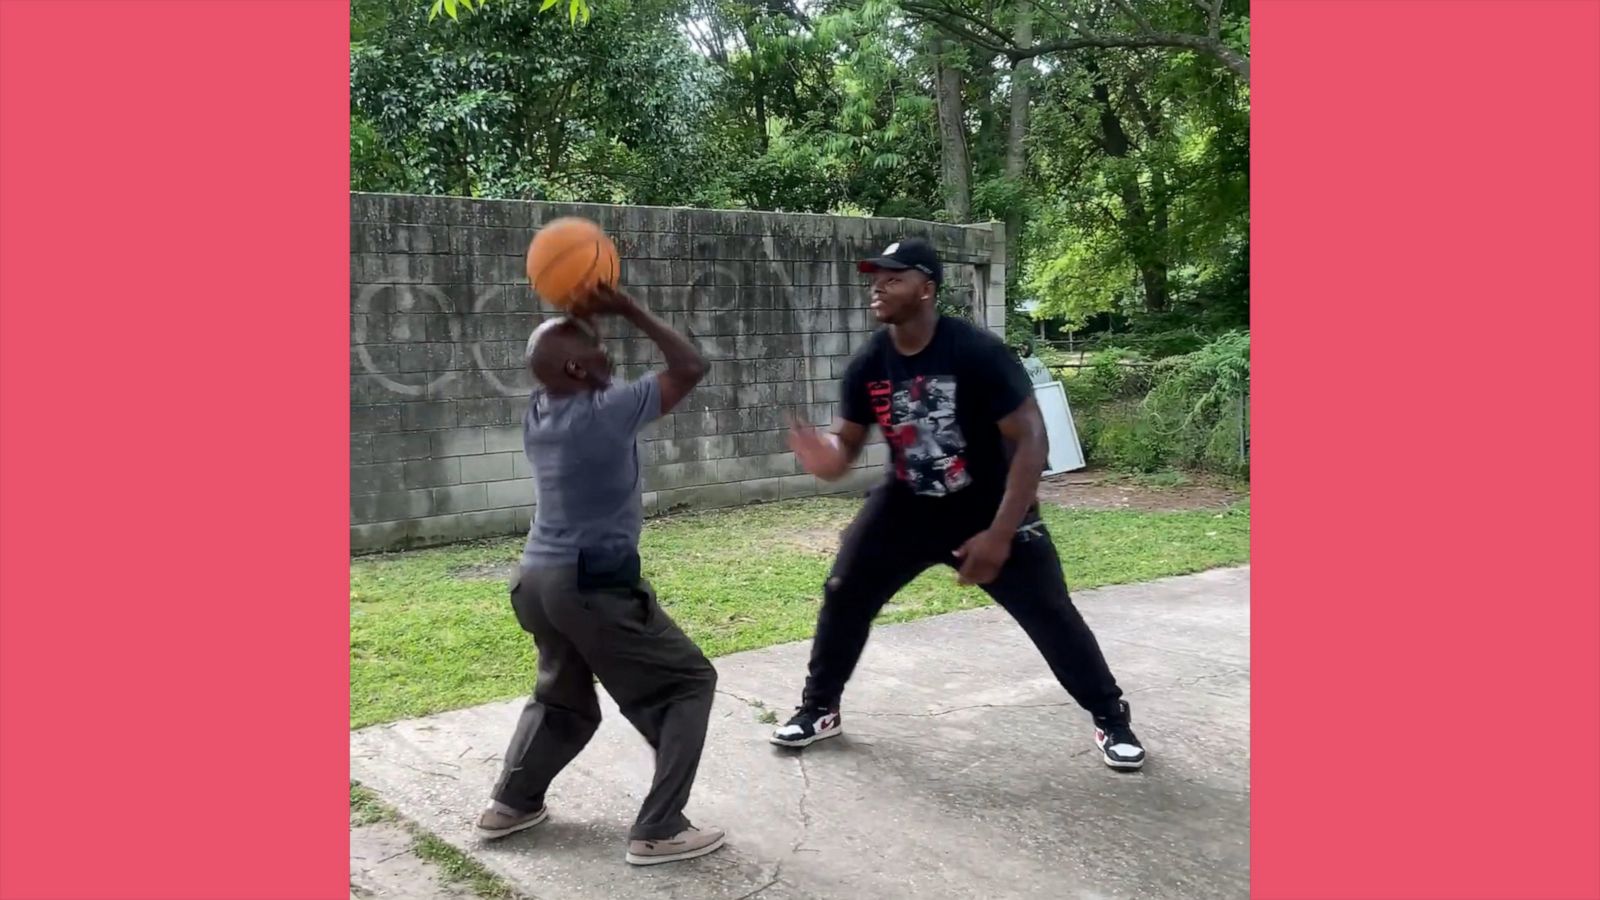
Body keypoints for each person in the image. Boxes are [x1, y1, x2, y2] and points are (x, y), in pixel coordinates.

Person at [771, 238, 1147, 771]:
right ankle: (819, 709)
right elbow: (843, 453)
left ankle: (1111, 718)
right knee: (845, 590)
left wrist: (999, 534)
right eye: (875, 277)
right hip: (906, 506)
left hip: (990, 507)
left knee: (1050, 613)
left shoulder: (977, 352)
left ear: (927, 289)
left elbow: (1032, 442)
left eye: (893, 277)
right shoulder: (869, 363)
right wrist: (821, 456)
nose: (878, 286)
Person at [475, 283, 729, 865]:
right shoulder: (605, 413)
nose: (608, 351)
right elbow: (691, 365)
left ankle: (511, 804)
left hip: (536, 581)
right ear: (573, 366)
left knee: (564, 700)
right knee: (687, 683)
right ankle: (660, 829)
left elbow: (576, 366)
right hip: (590, 584)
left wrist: (584, 325)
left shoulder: (541, 409)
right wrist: (632, 308)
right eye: (596, 347)